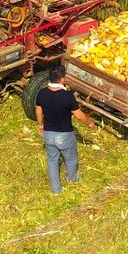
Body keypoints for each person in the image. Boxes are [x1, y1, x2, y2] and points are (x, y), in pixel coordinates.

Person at [35, 64, 96, 193]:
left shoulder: (41, 93)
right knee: (71, 158)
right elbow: (79, 116)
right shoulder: (67, 96)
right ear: (62, 79)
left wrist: (40, 125)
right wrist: (90, 123)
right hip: (64, 135)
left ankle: (56, 189)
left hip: (49, 134)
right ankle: (72, 178)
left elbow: (39, 111)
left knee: (52, 161)